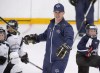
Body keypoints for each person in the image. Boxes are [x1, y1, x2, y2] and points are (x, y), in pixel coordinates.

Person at [23, 3, 74, 73]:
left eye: (60, 12)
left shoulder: (66, 27)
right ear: (53, 12)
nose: (57, 14)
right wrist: (35, 38)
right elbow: (45, 35)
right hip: (47, 59)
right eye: (55, 12)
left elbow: (70, 39)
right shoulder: (51, 24)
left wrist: (66, 47)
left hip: (59, 60)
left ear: (63, 13)